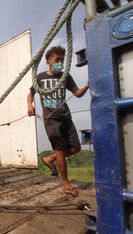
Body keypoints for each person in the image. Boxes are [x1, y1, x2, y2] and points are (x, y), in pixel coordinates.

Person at [27, 46, 89, 196]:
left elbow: (78, 94)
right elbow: (30, 93)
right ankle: (66, 183)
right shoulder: (40, 77)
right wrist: (30, 105)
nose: (60, 62)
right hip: (51, 119)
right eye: (57, 60)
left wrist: (87, 85)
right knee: (61, 150)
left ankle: (49, 159)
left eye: (62, 60)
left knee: (76, 148)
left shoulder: (65, 77)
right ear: (48, 62)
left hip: (66, 117)